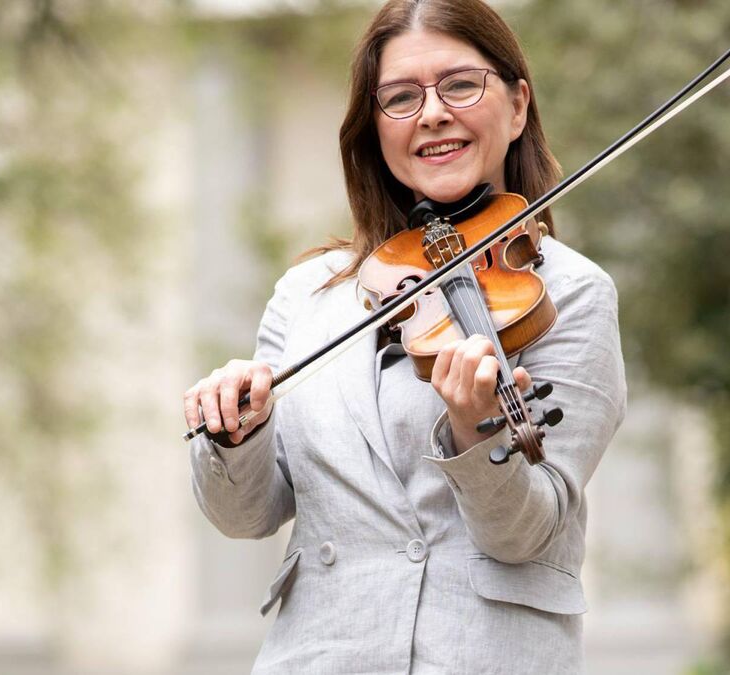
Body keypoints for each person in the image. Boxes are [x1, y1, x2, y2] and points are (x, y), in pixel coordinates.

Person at [185, 0, 627, 671]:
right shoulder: (308, 295)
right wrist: (233, 433)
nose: (433, 113)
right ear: (375, 131)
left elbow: (527, 533)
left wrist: (476, 432)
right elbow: (246, 516)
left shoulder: (567, 293)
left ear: (517, 106)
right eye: (400, 98)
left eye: (460, 85)